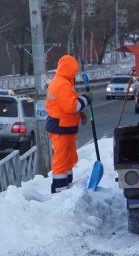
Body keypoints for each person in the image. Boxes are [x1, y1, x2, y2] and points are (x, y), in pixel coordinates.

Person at [45, 55, 93, 193]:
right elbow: (71, 107)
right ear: (70, 70)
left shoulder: (65, 82)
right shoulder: (61, 84)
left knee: (69, 157)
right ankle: (60, 190)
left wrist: (80, 113)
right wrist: (86, 99)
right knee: (61, 159)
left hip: (66, 126)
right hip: (60, 127)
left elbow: (68, 105)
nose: (76, 74)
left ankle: (67, 184)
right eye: (74, 70)